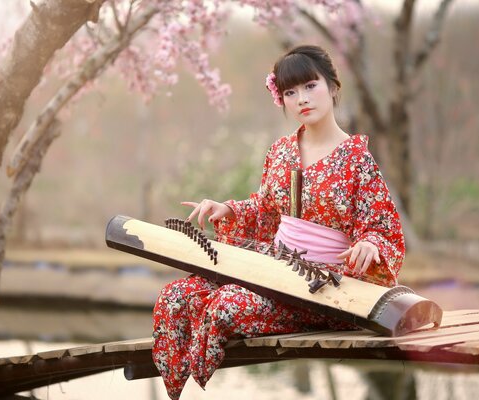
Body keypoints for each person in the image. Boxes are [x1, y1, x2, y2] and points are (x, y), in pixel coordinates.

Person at [151, 44, 405, 400]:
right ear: (281, 99)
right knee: (177, 296)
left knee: (226, 305)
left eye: (310, 86)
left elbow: (382, 227)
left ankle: (198, 373)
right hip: (274, 270)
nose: (301, 98)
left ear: (333, 87)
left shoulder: (356, 159)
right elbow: (265, 209)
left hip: (322, 286)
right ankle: (173, 393)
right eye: (290, 92)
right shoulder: (281, 151)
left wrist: (369, 243)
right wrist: (230, 211)